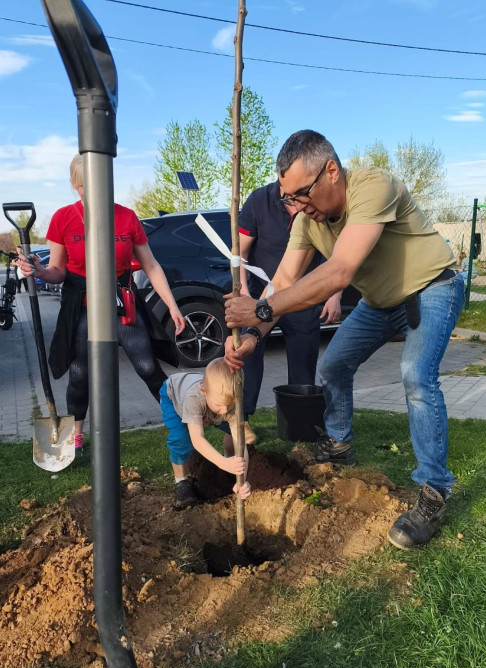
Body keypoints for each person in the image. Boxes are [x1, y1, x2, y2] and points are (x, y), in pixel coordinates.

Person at [224, 130, 465, 550]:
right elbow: (282, 281)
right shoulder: (306, 221)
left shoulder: (374, 187)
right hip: (380, 301)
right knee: (332, 364)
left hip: (432, 288)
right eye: (288, 198)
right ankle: (338, 443)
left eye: (301, 194)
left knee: (416, 376)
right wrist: (250, 337)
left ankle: (434, 493)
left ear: (331, 171)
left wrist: (261, 310)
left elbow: (339, 272)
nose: (296, 207)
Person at [19, 154, 185, 455]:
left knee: (148, 367)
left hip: (121, 303)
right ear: (75, 185)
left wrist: (172, 305)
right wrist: (40, 271)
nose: (91, 191)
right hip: (81, 307)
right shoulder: (62, 218)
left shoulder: (126, 217)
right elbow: (57, 270)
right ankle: (75, 438)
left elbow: (150, 265)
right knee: (80, 374)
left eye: (97, 184)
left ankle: (180, 424)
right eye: (83, 185)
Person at [238, 180, 342, 444]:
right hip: (263, 295)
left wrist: (334, 295)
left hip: (304, 299)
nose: (298, 210)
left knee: (303, 366)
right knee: (248, 353)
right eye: (291, 201)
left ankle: (298, 426)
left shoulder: (320, 201)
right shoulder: (258, 201)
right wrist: (244, 294)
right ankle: (242, 420)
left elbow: (339, 255)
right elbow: (239, 252)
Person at [160, 358, 251, 506]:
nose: (225, 411)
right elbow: (197, 439)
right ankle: (181, 481)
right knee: (181, 439)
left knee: (232, 432)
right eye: (220, 405)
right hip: (173, 395)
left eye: (230, 405)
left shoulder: (230, 405)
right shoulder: (194, 398)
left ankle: (229, 458)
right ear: (204, 391)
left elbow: (241, 445)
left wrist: (242, 479)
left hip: (201, 396)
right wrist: (221, 463)